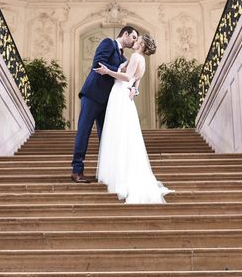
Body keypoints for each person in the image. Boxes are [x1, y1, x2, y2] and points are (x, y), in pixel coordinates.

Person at [93, 34, 172, 203]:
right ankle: (121, 173)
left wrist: (108, 71)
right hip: (125, 96)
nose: (135, 42)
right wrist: (134, 91)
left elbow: (128, 77)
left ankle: (120, 177)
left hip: (120, 94)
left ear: (142, 44)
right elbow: (136, 83)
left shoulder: (136, 56)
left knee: (119, 135)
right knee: (125, 135)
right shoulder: (142, 61)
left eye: (138, 40)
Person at [70, 26, 138, 183]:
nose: (134, 41)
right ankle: (77, 171)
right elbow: (98, 63)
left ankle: (106, 173)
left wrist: (134, 89)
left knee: (106, 136)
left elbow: (126, 77)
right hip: (92, 95)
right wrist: (118, 69)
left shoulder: (123, 56)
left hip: (108, 101)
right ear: (125, 34)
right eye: (133, 37)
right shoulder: (108, 43)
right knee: (84, 132)